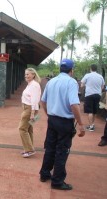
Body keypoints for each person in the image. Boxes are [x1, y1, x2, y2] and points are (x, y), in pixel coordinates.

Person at [39, 59, 85, 190]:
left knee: (50, 147)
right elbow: (74, 105)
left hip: (52, 119)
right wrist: (81, 124)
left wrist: (49, 114)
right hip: (65, 122)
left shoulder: (51, 81)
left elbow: (43, 101)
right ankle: (57, 181)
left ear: (60, 69)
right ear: (72, 70)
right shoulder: (71, 82)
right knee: (62, 150)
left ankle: (44, 174)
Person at [18, 68, 41, 158]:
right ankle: (29, 148)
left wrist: (32, 114)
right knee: (29, 129)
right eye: (25, 74)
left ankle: (29, 150)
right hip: (28, 108)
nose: (26, 76)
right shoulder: (30, 84)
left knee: (22, 129)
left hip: (30, 109)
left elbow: (34, 101)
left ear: (33, 75)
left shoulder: (34, 85)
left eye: (28, 74)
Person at [80, 64, 105, 132]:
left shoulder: (87, 75)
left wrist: (86, 85)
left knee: (90, 111)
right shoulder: (100, 76)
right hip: (97, 95)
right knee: (94, 111)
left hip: (89, 95)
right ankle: (92, 124)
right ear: (96, 69)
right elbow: (102, 87)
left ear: (90, 68)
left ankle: (91, 126)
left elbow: (82, 85)